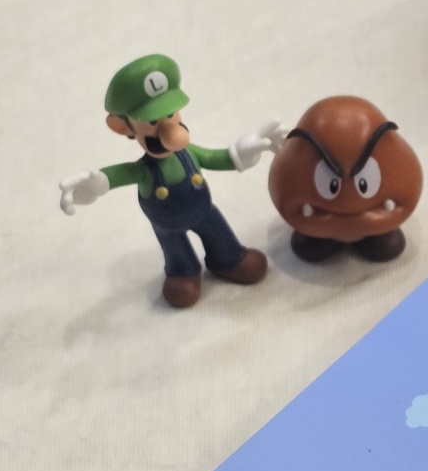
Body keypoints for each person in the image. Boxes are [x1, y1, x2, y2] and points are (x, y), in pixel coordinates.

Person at [58, 54, 285, 308]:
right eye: (152, 122)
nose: (169, 130)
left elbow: (215, 157)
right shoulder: (144, 170)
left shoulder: (190, 153)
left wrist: (241, 153)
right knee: (176, 260)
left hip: (204, 211)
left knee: (221, 237)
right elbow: (119, 174)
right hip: (167, 225)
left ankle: (228, 258)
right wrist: (98, 183)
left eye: (171, 114)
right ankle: (182, 271)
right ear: (124, 128)